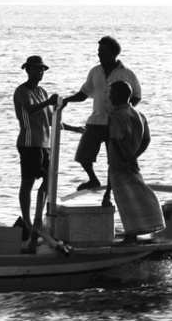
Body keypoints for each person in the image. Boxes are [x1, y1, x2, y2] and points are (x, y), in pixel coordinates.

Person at [60, 36, 142, 199]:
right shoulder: (95, 71)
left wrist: (125, 110)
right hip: (96, 120)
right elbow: (84, 93)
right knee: (83, 155)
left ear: (113, 53)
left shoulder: (127, 73)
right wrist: (67, 100)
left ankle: (109, 193)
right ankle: (93, 179)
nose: (99, 54)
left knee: (114, 161)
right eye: (99, 51)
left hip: (116, 122)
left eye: (103, 51)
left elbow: (137, 96)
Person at [13, 55, 80, 246]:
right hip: (29, 143)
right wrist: (48, 102)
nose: (39, 72)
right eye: (36, 68)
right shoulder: (22, 91)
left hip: (45, 144)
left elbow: (51, 119)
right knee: (27, 182)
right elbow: (30, 109)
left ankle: (37, 218)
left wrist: (75, 128)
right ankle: (27, 223)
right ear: (27, 70)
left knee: (49, 180)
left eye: (41, 69)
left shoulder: (42, 91)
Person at [106, 80, 165, 243]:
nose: (110, 97)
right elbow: (146, 139)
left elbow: (115, 140)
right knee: (137, 195)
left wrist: (125, 158)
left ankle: (131, 236)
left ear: (120, 95)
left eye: (112, 94)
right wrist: (134, 156)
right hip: (132, 163)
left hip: (119, 165)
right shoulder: (139, 114)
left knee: (125, 201)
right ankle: (139, 230)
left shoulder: (118, 115)